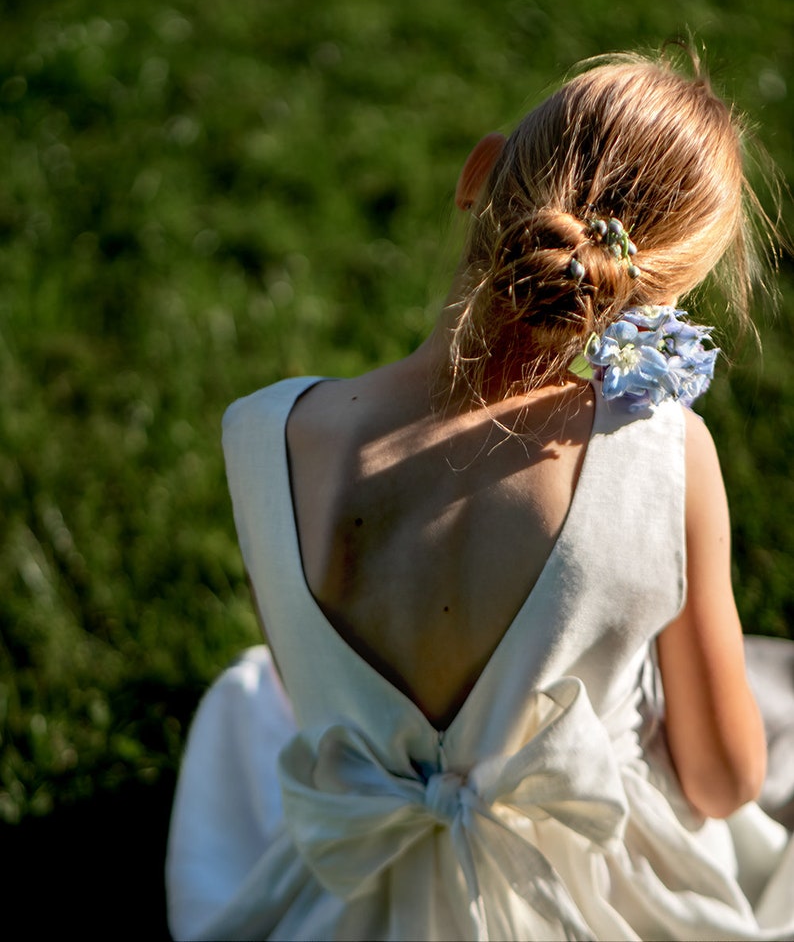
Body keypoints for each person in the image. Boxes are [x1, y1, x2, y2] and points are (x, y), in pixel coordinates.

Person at [166, 52, 794, 941]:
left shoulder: (267, 434)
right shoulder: (665, 456)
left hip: (358, 887)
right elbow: (723, 779)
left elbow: (319, 719)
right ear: (661, 297)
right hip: (592, 902)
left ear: (478, 175)